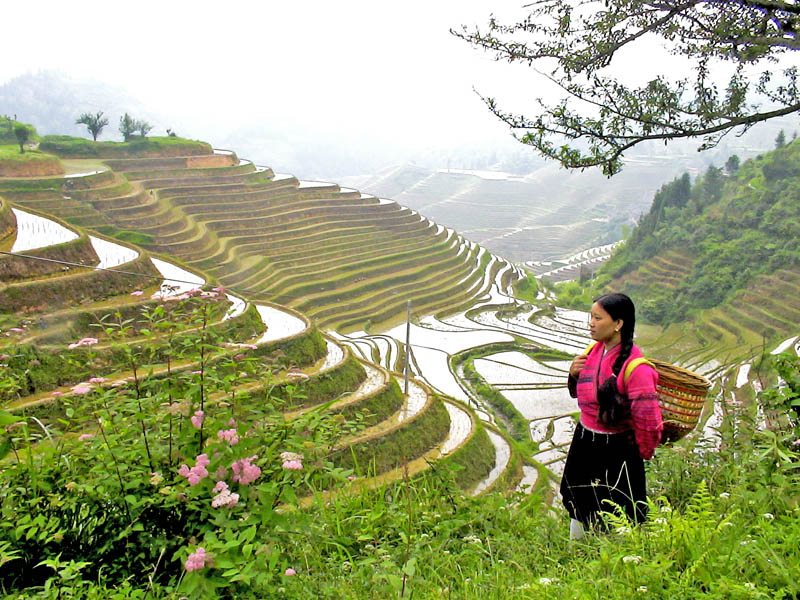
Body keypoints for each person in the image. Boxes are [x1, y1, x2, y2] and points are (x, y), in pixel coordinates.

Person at [560, 292, 663, 538]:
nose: (591, 323)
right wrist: (573, 374)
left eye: (598, 318)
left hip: (617, 449)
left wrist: (642, 453)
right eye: (591, 317)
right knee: (578, 498)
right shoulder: (591, 353)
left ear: (618, 324)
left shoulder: (637, 369)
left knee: (620, 506)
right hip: (584, 441)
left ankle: (620, 561)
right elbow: (583, 394)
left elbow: (648, 420)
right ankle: (578, 555)